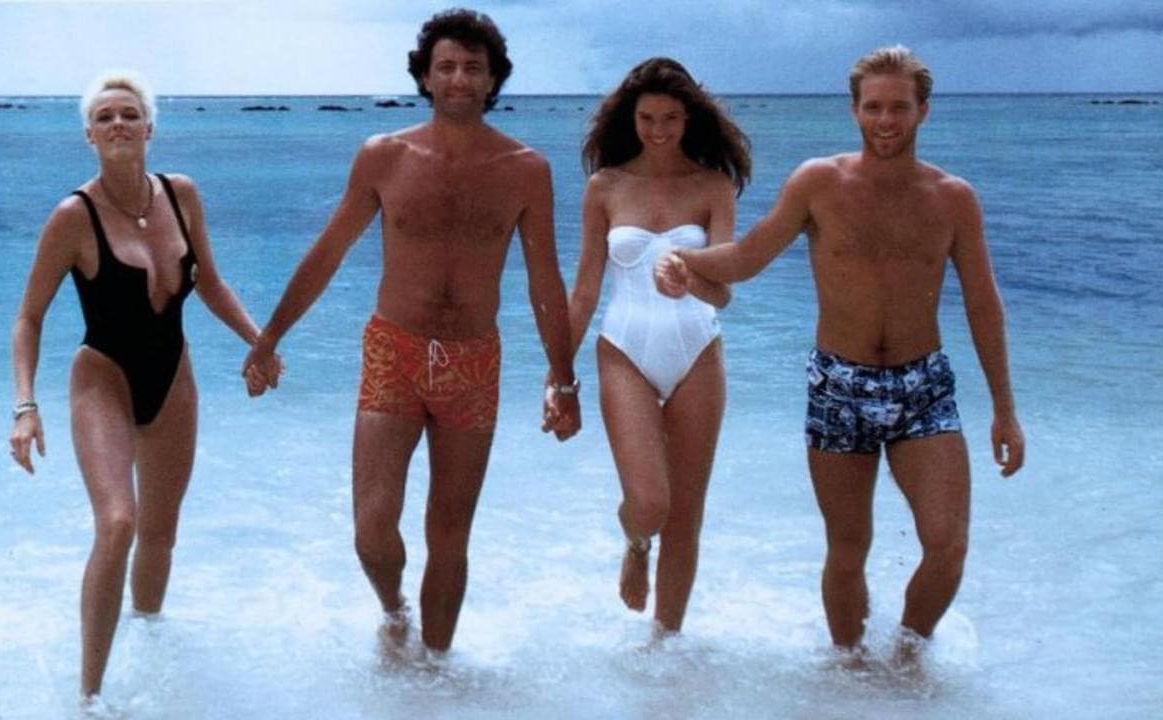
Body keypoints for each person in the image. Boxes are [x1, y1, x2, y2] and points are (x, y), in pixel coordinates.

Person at [656, 45, 1025, 664]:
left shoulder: (953, 198)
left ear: (924, 111)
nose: (886, 120)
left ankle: (907, 655)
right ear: (854, 110)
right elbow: (747, 257)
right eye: (873, 107)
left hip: (923, 387)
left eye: (899, 107)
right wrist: (683, 260)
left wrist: (1005, 410)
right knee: (848, 547)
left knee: (948, 544)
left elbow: (984, 304)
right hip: (838, 385)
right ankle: (849, 672)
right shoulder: (818, 183)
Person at [242, 8, 580, 654]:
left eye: (473, 68)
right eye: (445, 67)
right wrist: (269, 337)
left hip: (472, 361)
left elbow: (545, 281)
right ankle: (394, 608)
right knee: (372, 529)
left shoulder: (526, 169)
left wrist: (563, 381)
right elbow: (329, 252)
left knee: (449, 535)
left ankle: (437, 674)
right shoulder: (384, 157)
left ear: (493, 80)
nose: (459, 79)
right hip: (392, 352)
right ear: (424, 77)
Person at [8, 71, 276, 704]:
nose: (118, 124)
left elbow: (210, 283)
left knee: (161, 531)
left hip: (172, 374)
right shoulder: (73, 217)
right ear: (89, 136)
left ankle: (151, 651)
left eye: (129, 114)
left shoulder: (181, 195)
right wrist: (25, 406)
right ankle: (89, 700)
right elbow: (28, 318)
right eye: (104, 117)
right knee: (118, 523)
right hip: (102, 376)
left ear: (150, 127)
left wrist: (259, 342)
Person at [565, 58, 750, 636]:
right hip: (624, 350)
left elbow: (723, 292)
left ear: (689, 117)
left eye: (670, 117)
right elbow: (585, 288)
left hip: (698, 352)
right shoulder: (605, 186)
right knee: (650, 504)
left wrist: (691, 279)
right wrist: (558, 372)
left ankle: (665, 648)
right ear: (632, 118)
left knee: (686, 517)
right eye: (647, 118)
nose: (659, 130)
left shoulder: (713, 186)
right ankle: (636, 542)